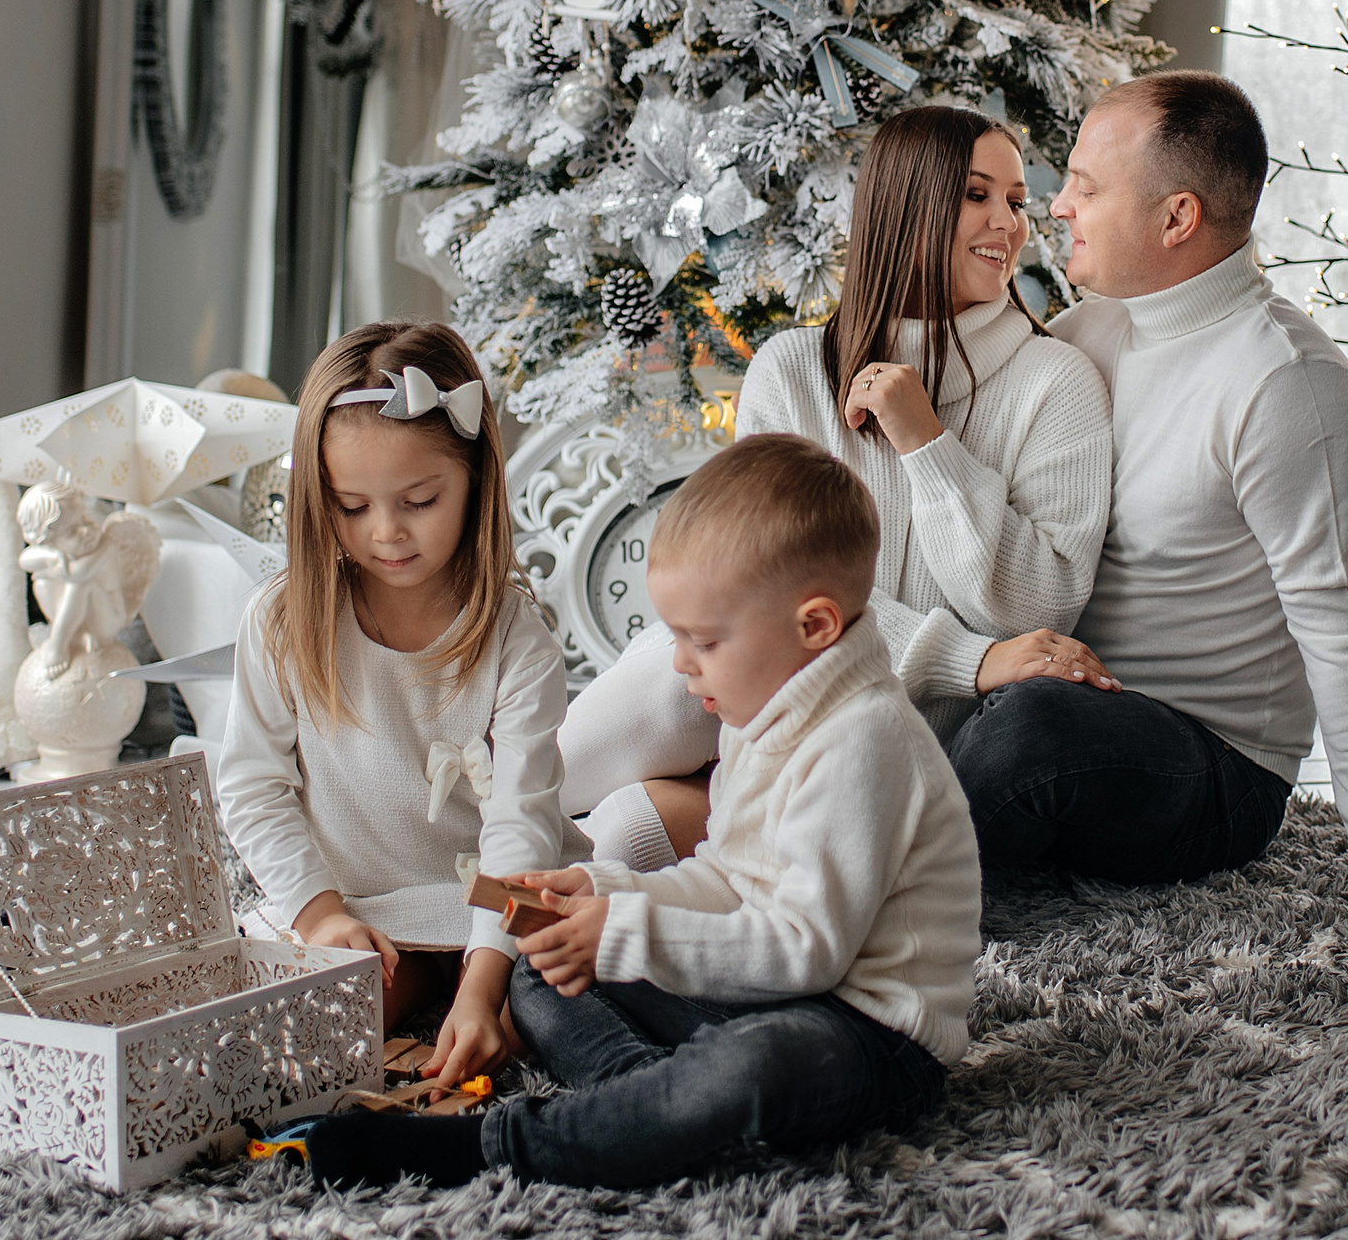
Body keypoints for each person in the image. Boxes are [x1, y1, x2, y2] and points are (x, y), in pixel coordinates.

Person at [289, 434, 982, 1190]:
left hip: (869, 1031)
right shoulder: (768, 712)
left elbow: (804, 949)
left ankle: (502, 1146)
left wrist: (626, 933)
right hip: (765, 988)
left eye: (703, 641)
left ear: (813, 627)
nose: (680, 663)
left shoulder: (863, 743)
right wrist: (611, 892)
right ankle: (650, 1102)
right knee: (541, 971)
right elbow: (728, 880)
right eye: (675, 637)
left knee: (755, 1065)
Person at [978, 68, 1348, 925]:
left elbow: (1347, 636)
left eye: (1087, 187)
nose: (1056, 207)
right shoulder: (1082, 337)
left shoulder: (1290, 386)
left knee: (1031, 731)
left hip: (1209, 771)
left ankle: (839, 893)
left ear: (1177, 217)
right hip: (1057, 697)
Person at [560, 105, 1114, 863]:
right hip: (763, 687)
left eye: (1016, 202)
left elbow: (1037, 608)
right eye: (976, 195)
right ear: (905, 208)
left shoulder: (1057, 382)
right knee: (670, 668)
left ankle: (472, 906)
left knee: (624, 833)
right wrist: (967, 657)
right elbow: (758, 588)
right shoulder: (790, 372)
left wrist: (927, 444)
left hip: (894, 741)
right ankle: (451, 886)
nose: (1008, 224)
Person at [216, 321, 588, 1086]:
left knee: (561, 1006)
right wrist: (318, 913)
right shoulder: (283, 622)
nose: (385, 533)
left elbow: (520, 829)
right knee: (292, 1039)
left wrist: (485, 987)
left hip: (496, 898)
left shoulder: (515, 637)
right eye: (351, 507)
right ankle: (426, 983)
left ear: (475, 481)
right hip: (360, 904)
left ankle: (480, 987)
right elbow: (253, 787)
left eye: (419, 500)